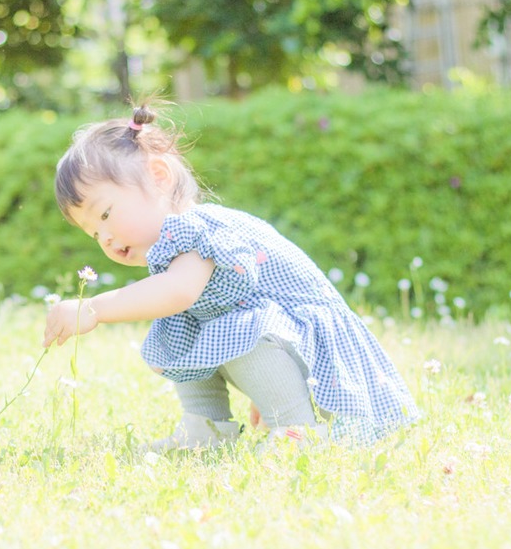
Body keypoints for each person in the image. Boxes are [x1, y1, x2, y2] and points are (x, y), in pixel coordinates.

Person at [42, 102, 418, 451]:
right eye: (93, 233)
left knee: (209, 320)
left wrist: (93, 308)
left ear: (158, 176)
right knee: (182, 327)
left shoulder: (198, 229)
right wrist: (269, 388)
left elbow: (177, 293)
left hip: (321, 351)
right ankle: (205, 427)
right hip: (284, 343)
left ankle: (297, 431)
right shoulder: (178, 246)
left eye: (105, 214)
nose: (105, 238)